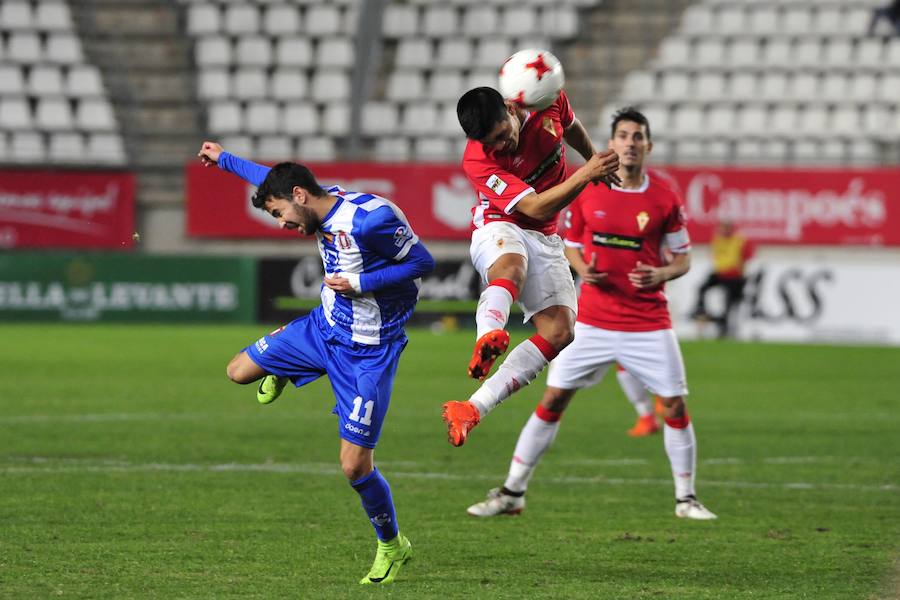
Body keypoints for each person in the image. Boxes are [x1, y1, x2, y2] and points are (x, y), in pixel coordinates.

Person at [197, 141, 435, 585]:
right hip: (322, 328)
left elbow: (424, 261)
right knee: (238, 372)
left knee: (354, 467)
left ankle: (391, 545)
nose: (282, 223)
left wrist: (361, 282)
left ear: (300, 197)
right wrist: (224, 158)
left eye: (279, 213)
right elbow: (269, 180)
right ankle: (289, 369)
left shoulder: (372, 219)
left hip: (370, 350)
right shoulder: (309, 200)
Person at [465, 108, 717, 521]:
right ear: (611, 143)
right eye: (622, 135)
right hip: (593, 321)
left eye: (638, 136)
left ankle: (686, 498)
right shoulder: (589, 190)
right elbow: (567, 242)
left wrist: (662, 272)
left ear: (648, 146)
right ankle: (512, 491)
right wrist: (582, 268)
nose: (630, 143)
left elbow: (684, 259)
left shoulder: (665, 197)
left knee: (673, 405)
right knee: (553, 399)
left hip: (648, 321)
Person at [441, 86, 621, 447]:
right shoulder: (477, 160)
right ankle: (486, 337)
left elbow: (570, 125)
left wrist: (592, 159)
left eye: (503, 135)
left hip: (546, 236)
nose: (501, 146)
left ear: (511, 108)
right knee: (511, 265)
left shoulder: (545, 99)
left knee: (561, 331)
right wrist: (586, 173)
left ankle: (471, 409)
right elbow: (536, 207)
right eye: (491, 143)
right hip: (500, 223)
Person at [691, 219, 754, 338]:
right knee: (702, 288)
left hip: (735, 276)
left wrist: (742, 272)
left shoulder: (740, 239)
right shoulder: (718, 238)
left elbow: (747, 258)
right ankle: (701, 310)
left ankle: (725, 326)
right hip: (720, 273)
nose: (722, 230)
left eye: (725, 227)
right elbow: (715, 255)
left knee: (730, 302)